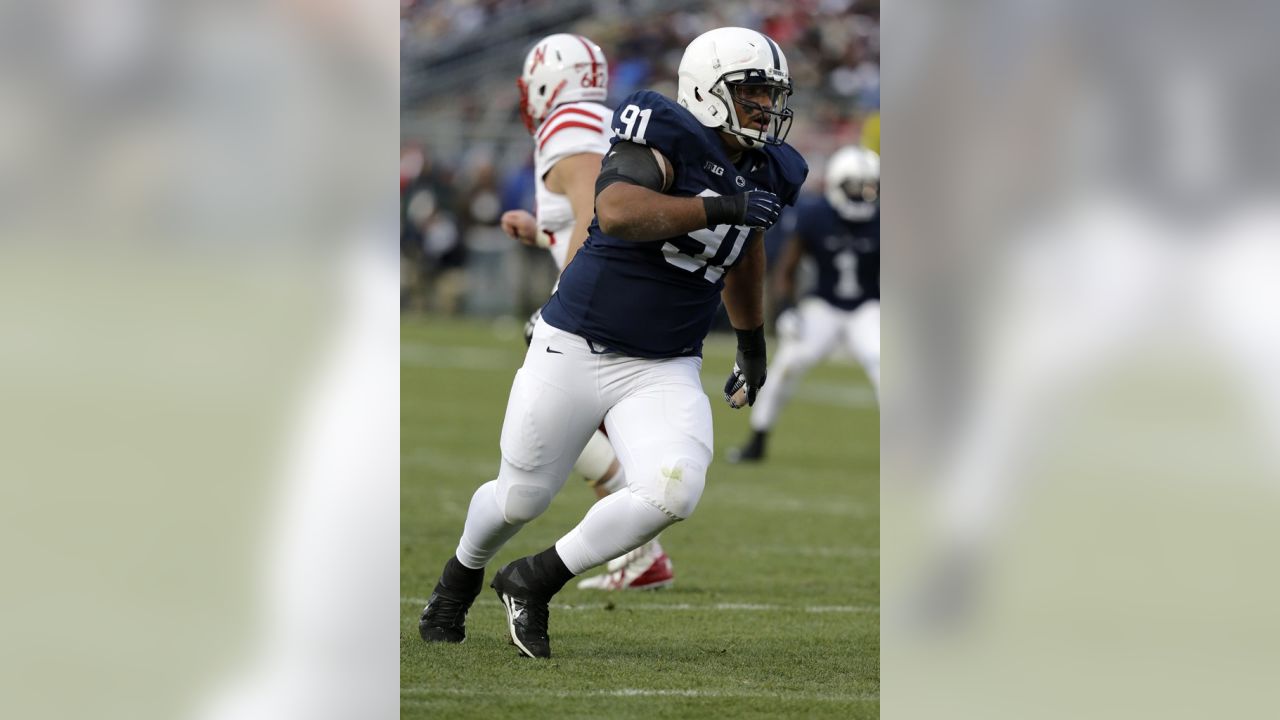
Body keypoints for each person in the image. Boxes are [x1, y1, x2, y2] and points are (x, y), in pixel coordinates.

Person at [419, 26, 807, 659]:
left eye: (772, 94)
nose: (767, 107)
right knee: (521, 497)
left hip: (665, 364)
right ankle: (460, 574)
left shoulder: (775, 167)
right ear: (710, 93)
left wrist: (751, 343)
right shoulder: (664, 128)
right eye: (753, 93)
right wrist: (718, 208)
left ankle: (533, 580)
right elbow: (618, 211)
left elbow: (748, 247)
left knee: (673, 488)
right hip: (576, 342)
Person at [495, 33, 675, 592]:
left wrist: (559, 300)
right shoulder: (601, 120)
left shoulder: (567, 124)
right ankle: (641, 551)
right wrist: (542, 230)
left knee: (553, 429)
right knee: (578, 430)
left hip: (593, 307)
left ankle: (640, 549)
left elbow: (598, 214)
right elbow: (589, 217)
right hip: (620, 297)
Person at [729, 145, 881, 463]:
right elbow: (786, 268)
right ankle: (757, 440)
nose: (865, 194)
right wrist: (786, 309)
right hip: (823, 306)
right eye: (857, 186)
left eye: (871, 187)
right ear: (837, 184)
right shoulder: (816, 215)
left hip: (868, 306)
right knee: (786, 365)